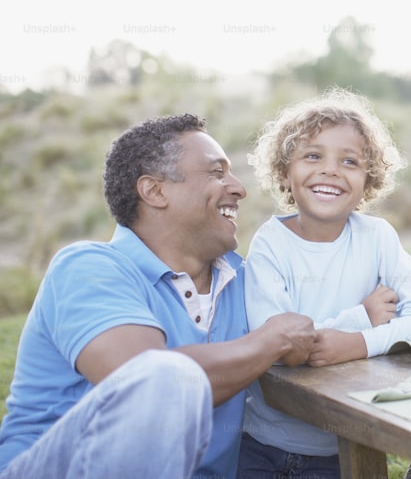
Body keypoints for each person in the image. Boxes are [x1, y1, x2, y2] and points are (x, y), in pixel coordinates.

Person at [0, 114, 317, 479]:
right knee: (162, 375)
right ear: (154, 191)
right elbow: (147, 383)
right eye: (217, 173)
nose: (238, 188)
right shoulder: (88, 267)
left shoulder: (245, 279)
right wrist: (271, 341)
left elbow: (316, 327)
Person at [238, 87, 411, 479]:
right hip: (266, 445)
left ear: (369, 181)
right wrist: (360, 319)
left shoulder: (377, 237)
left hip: (344, 447)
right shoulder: (270, 245)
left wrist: (356, 344)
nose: (330, 170)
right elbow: (278, 347)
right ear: (285, 171)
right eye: (312, 156)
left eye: (349, 161)